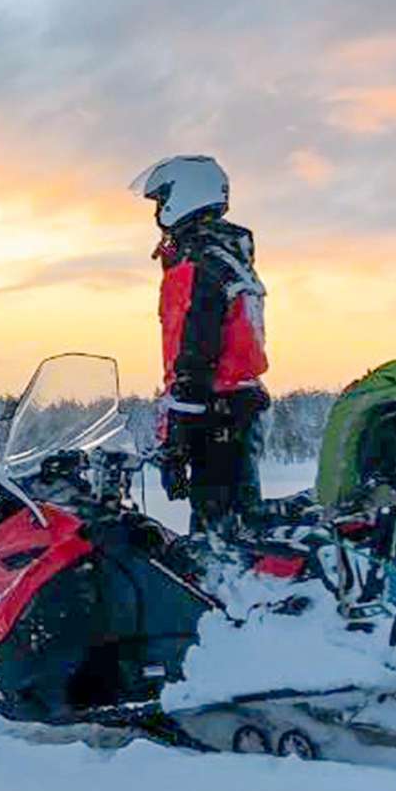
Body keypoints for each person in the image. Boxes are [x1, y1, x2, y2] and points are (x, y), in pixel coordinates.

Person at [128, 154, 269, 534]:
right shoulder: (230, 257)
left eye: (160, 200)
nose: (157, 211)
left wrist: (177, 439)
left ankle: (230, 592)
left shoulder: (196, 263)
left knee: (217, 539)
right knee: (240, 525)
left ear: (181, 197)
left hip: (214, 414)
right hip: (239, 409)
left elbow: (192, 354)